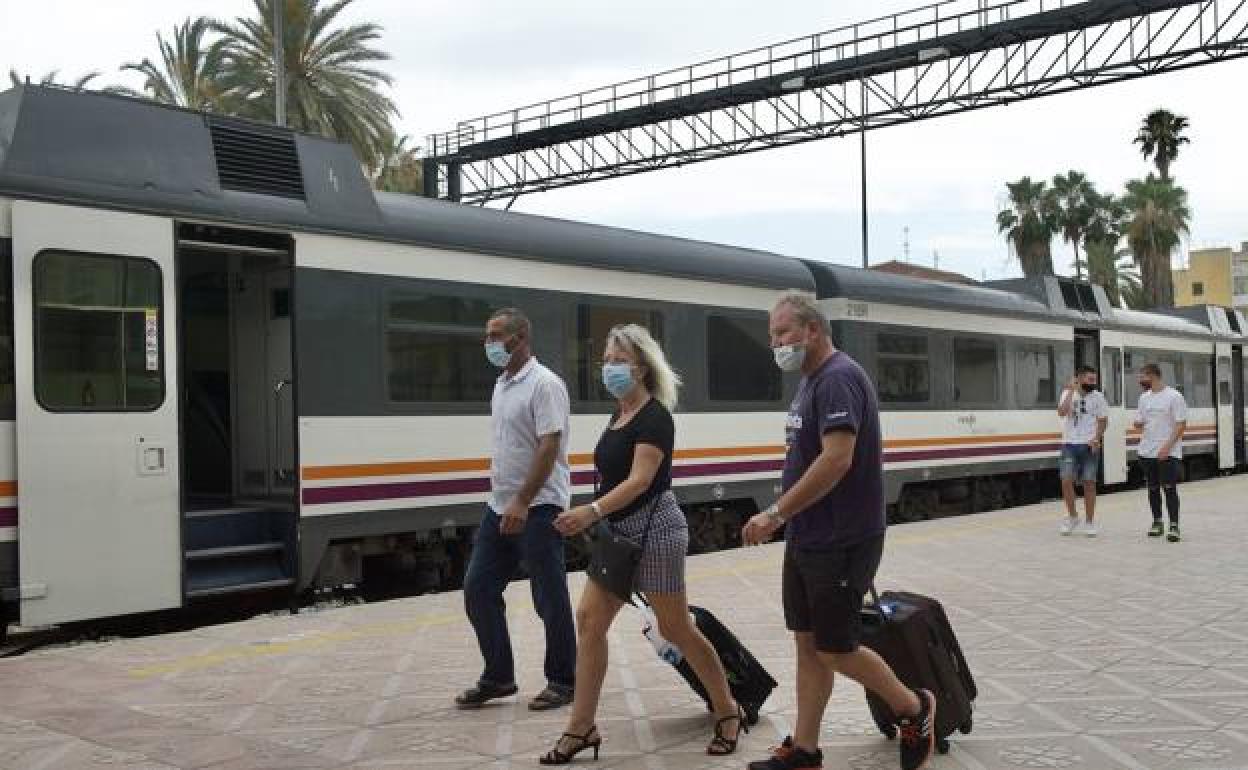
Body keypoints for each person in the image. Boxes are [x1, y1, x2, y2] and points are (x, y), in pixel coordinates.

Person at [742, 291, 936, 770]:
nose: (777, 343)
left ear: (812, 330)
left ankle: (914, 708)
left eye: (783, 333)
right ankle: (805, 750)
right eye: (772, 336)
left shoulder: (837, 379)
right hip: (810, 536)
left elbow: (837, 459)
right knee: (809, 646)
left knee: (836, 649)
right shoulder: (810, 382)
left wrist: (775, 513)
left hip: (842, 538)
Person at [542, 324, 746, 764]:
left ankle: (728, 710)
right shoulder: (618, 416)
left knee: (676, 628)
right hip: (619, 536)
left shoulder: (656, 417)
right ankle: (581, 727)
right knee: (589, 622)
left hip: (656, 532)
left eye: (619, 360)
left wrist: (590, 512)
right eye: (607, 359)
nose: (609, 367)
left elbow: (640, 481)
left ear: (642, 367)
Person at [456, 308, 577, 711]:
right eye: (486, 335)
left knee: (549, 597)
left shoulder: (545, 384)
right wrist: (509, 501)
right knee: (478, 589)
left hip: (539, 506)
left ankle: (563, 681)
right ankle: (499, 677)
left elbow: (549, 445)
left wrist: (523, 501)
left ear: (520, 337)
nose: (487, 343)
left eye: (495, 335)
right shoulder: (503, 383)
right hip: (501, 505)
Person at [1134, 363, 1187, 542]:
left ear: (1153, 376)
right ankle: (1157, 522)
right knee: (1153, 488)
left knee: (1169, 488)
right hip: (1146, 451)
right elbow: (1140, 420)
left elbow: (1181, 425)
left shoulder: (1174, 396)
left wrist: (1167, 447)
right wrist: (1138, 424)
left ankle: (1174, 525)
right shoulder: (1143, 398)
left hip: (1167, 451)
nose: (1140, 380)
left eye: (1142, 377)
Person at [1056, 366, 1109, 536]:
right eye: (1090, 379)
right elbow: (1062, 412)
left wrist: (1097, 438)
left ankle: (1090, 521)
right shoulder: (1067, 393)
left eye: (1094, 380)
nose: (1093, 383)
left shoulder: (1098, 397)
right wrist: (1071, 391)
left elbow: (1103, 420)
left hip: (1089, 445)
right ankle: (1073, 517)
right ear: (1078, 378)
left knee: (1089, 482)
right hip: (1069, 445)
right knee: (1066, 480)